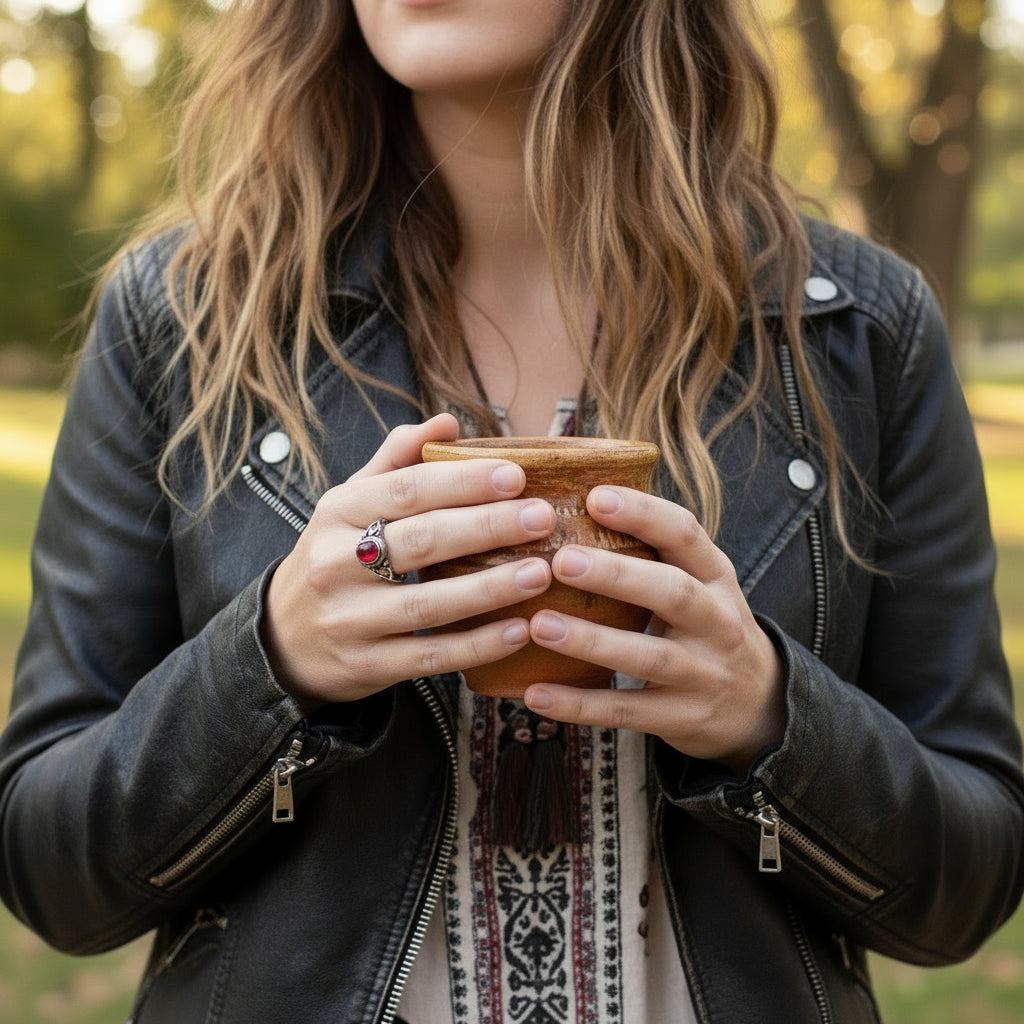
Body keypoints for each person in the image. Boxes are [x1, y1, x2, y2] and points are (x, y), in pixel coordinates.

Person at [1, 1, 1022, 1021]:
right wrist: (269, 660)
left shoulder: (855, 333)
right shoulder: (182, 319)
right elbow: (51, 874)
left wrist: (771, 719)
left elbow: (965, 889)